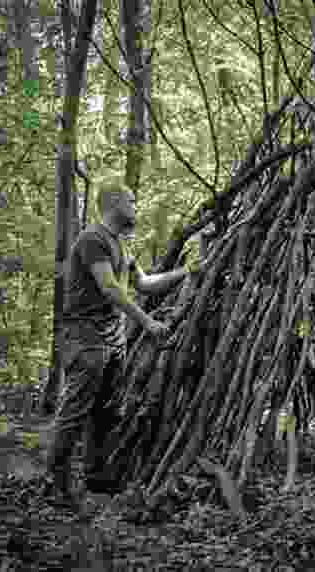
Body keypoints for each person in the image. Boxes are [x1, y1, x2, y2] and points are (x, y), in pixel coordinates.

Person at [46, 175, 202, 513]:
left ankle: (94, 478)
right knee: (75, 410)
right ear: (115, 202)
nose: (136, 206)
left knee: (105, 410)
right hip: (85, 336)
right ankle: (56, 485)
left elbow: (144, 284)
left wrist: (186, 273)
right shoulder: (93, 239)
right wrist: (146, 323)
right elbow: (110, 288)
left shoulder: (123, 244)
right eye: (131, 201)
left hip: (112, 338)